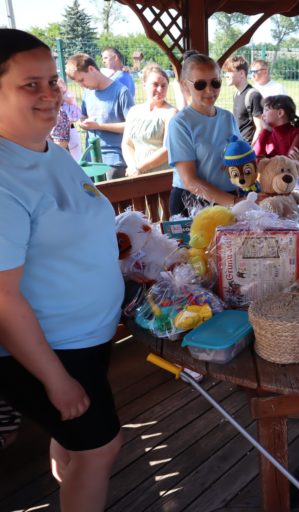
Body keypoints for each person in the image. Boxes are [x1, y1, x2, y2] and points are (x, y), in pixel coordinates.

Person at [0, 29, 124, 511]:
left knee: (75, 444)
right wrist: (55, 379)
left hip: (85, 339)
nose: (50, 93)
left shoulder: (48, 150)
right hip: (49, 351)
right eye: (30, 85)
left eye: (52, 81)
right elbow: (3, 299)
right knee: (100, 448)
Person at [165, 51, 240, 216]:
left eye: (215, 83)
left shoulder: (228, 118)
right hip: (192, 202)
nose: (209, 90)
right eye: (200, 84)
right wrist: (234, 202)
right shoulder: (180, 123)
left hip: (228, 198)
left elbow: (238, 158)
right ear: (185, 85)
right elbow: (190, 180)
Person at [65, 53, 134, 180]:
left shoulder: (121, 92)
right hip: (91, 159)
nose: (81, 85)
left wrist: (99, 126)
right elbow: (83, 116)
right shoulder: (88, 93)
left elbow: (131, 127)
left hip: (114, 160)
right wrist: (82, 123)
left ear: (91, 69)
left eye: (81, 80)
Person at [122, 64, 177, 177]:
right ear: (144, 85)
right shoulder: (133, 111)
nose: (159, 89)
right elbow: (126, 144)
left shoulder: (171, 113)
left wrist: (139, 168)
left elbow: (168, 150)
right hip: (136, 175)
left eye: (163, 85)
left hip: (160, 176)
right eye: (155, 84)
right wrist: (132, 166)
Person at [223, 55, 263, 145]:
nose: (226, 75)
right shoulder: (236, 94)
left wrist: (250, 150)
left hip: (247, 150)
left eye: (229, 72)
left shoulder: (253, 95)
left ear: (241, 73)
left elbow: (260, 128)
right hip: (238, 146)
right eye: (225, 72)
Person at [253, 94, 299, 159]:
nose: (262, 115)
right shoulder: (267, 133)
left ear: (280, 113)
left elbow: (289, 163)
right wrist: (265, 131)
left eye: (266, 110)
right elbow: (254, 158)